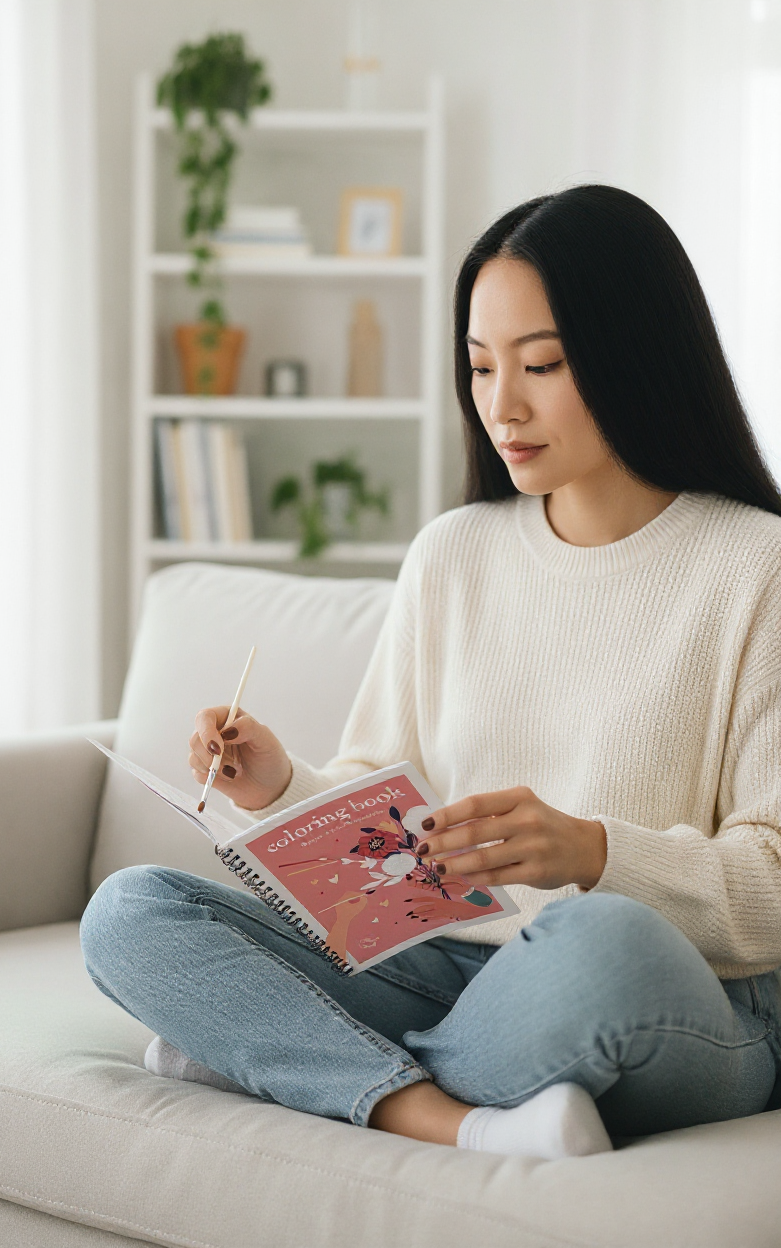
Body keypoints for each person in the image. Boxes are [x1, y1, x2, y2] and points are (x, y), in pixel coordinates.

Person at [81, 185, 781, 1161]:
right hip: (442, 966)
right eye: (480, 366)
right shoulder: (452, 553)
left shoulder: (755, 567)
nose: (502, 405)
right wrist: (282, 787)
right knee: (133, 910)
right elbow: (384, 845)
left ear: (635, 351)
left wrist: (587, 851)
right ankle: (447, 1118)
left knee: (601, 942)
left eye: (540, 364)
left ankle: (282, 1058)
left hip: (677, 992)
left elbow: (771, 888)